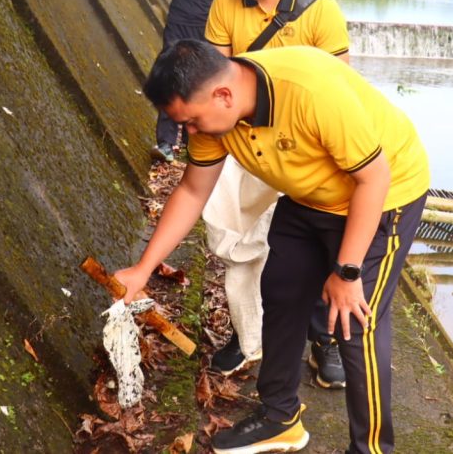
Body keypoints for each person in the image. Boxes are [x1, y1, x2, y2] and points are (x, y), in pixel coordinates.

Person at [115, 40, 430, 454]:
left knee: (355, 323)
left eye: (191, 121)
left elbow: (374, 179)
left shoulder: (309, 91)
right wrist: (143, 269)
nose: (190, 132)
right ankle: (280, 417)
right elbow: (192, 191)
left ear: (223, 95)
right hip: (308, 196)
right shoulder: (216, 117)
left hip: (383, 194)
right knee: (281, 292)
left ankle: (371, 449)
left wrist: (347, 272)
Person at [201, 0, 350, 391]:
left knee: (317, 247)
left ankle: (322, 339)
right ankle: (248, 336)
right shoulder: (225, 3)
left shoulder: (319, 9)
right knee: (236, 238)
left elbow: (338, 90)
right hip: (249, 143)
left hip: (308, 149)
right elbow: (214, 80)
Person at [150, 0, 234, 162]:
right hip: (177, 25)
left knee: (198, 83)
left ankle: (191, 145)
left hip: (204, 29)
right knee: (169, 79)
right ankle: (165, 143)